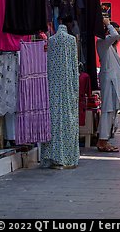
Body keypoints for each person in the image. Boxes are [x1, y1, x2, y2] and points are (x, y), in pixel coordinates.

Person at [41, 15, 80, 169]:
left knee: (54, 121)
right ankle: (68, 157)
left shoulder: (51, 41)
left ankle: (53, 156)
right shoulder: (71, 41)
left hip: (53, 87)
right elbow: (74, 66)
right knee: (68, 121)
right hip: (68, 87)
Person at [96, 18, 120, 152]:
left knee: (112, 110)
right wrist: (108, 24)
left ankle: (105, 138)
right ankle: (102, 140)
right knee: (107, 110)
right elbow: (114, 35)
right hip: (108, 81)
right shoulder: (102, 43)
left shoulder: (111, 47)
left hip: (114, 82)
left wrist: (113, 26)